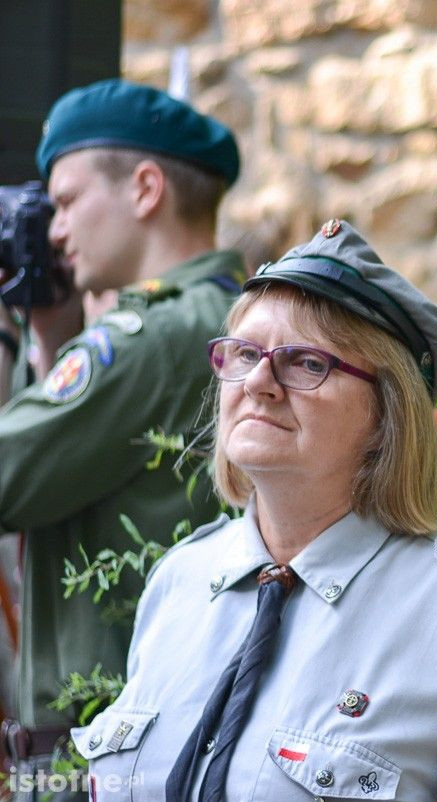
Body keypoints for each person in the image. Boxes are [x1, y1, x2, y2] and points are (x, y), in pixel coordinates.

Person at [69, 220, 437, 801]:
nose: (260, 382)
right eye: (245, 353)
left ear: (385, 416)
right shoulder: (180, 582)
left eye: (305, 363)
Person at [0, 79, 244, 790]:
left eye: (68, 200)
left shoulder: (150, 335)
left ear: (144, 189)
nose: (52, 230)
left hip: (103, 761)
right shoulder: (227, 314)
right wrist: (50, 337)